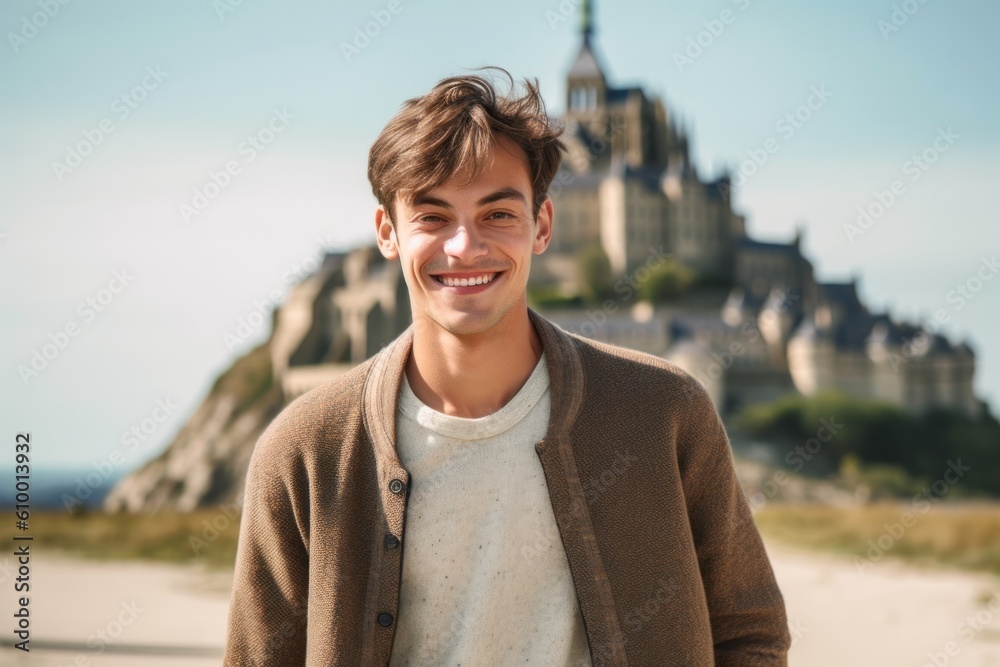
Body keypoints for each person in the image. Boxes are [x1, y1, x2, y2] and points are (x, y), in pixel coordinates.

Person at [223, 67, 791, 666]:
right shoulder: (304, 449)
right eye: (432, 216)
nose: (465, 246)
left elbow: (748, 631)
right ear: (387, 233)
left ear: (541, 225)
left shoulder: (664, 412)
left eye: (497, 213)